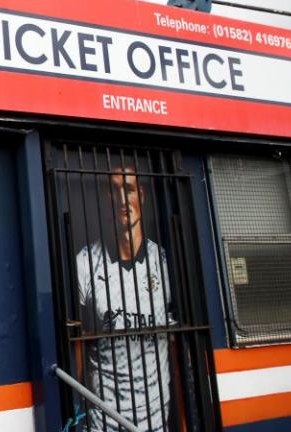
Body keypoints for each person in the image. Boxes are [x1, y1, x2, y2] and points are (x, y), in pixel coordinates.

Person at [74, 165, 174, 432]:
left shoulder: (163, 262)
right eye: (113, 190)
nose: (122, 200)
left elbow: (176, 344)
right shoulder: (84, 263)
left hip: (155, 419)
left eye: (128, 189)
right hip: (102, 421)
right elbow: (77, 342)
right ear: (104, 198)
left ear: (141, 194)